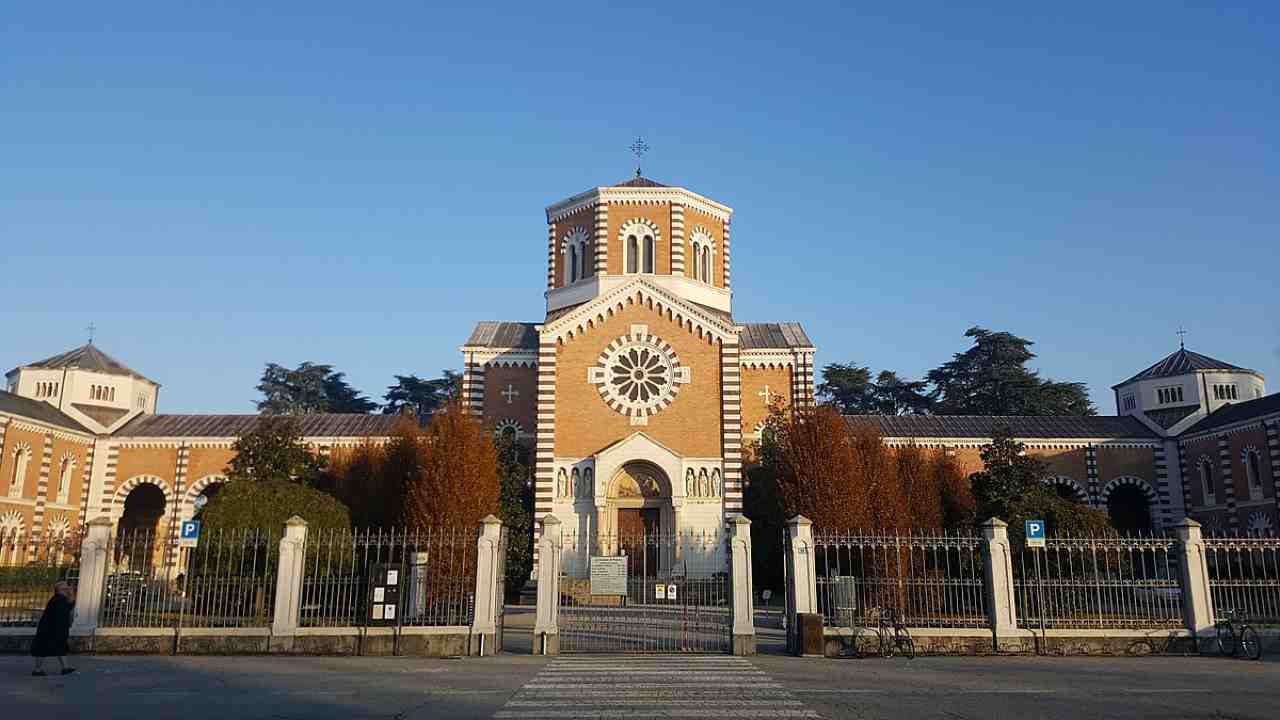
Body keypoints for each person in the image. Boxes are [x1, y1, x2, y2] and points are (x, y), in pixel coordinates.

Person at [31, 581, 76, 677]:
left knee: (60, 647)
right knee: (43, 649)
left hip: (51, 629)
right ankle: (37, 670)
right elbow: (68, 607)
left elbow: (69, 606)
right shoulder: (59, 600)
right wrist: (71, 593)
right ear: (61, 590)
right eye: (66, 588)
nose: (68, 589)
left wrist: (71, 594)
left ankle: (65, 668)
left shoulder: (59, 599)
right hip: (50, 629)